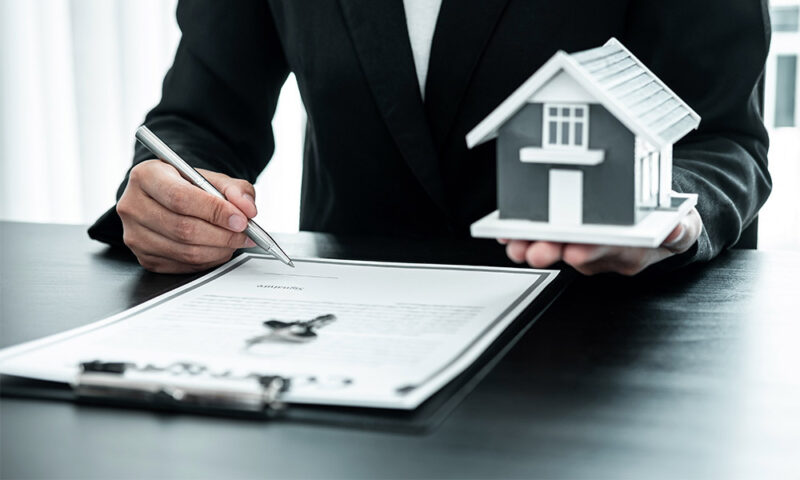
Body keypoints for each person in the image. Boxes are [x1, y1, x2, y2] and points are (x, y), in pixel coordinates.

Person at [89, 0, 771, 275]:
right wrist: (167, 195)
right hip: (346, 345)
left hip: (605, 349)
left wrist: (664, 218)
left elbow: (725, 142)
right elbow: (197, 122)